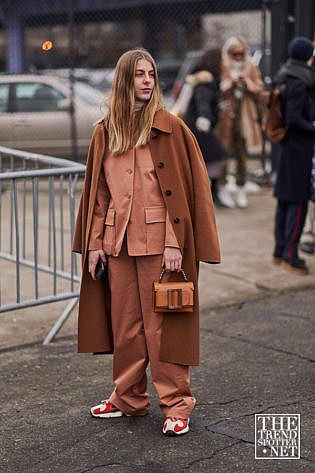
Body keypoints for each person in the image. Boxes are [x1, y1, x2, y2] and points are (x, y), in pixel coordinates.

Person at [72, 48, 221, 437]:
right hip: (118, 245)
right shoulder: (106, 131)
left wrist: (176, 243)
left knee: (164, 328)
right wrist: (94, 243)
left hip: (160, 244)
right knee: (126, 328)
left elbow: (183, 192)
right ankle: (128, 398)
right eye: (139, 74)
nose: (147, 81)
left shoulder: (170, 127)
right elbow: (99, 196)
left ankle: (177, 404)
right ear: (124, 80)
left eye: (151, 74)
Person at [272, 36, 315, 275]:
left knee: (285, 201)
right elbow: (294, 119)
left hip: (288, 148)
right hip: (299, 150)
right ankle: (291, 254)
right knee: (297, 203)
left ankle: (280, 252)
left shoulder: (285, 76)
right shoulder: (300, 82)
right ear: (307, 56)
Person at [216, 36, 265, 208]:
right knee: (223, 152)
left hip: (244, 116)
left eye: (241, 53)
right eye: (234, 53)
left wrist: (247, 83)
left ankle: (241, 188)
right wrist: (230, 83)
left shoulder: (250, 66)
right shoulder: (222, 66)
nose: (238, 57)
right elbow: (217, 89)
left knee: (242, 152)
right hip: (225, 116)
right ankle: (221, 188)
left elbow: (260, 89)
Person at [183, 48, 228, 207]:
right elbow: (203, 100)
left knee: (206, 159)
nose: (224, 63)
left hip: (198, 126)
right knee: (215, 156)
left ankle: (210, 194)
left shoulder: (204, 79)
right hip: (199, 127)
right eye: (221, 60)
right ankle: (211, 195)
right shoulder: (206, 82)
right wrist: (204, 117)